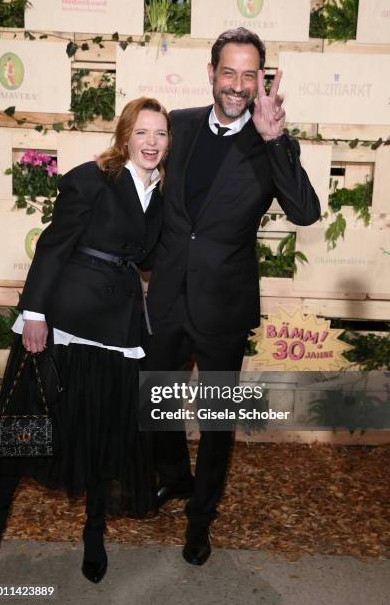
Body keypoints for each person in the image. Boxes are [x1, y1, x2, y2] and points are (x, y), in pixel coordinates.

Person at [144, 28, 321, 565]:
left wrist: (275, 142)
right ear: (212, 72)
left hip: (224, 306)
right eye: (230, 72)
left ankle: (201, 520)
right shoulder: (181, 124)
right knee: (158, 405)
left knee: (217, 422)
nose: (238, 85)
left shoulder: (271, 140)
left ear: (261, 80)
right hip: (168, 297)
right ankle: (174, 478)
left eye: (250, 74)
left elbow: (306, 212)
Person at [0, 97, 170, 583]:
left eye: (161, 134)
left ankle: (93, 530)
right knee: (31, 423)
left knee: (104, 430)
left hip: (117, 327)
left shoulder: (159, 194)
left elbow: (143, 255)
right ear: (125, 135)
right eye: (143, 132)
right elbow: (53, 244)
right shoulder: (92, 178)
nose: (152, 142)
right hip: (65, 320)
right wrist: (36, 312)